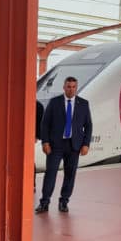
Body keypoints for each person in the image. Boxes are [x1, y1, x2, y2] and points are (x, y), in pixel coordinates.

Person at [37, 76, 92, 214]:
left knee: (70, 175)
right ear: (64, 87)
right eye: (68, 86)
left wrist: (86, 144)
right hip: (56, 145)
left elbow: (88, 125)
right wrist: (45, 142)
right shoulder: (54, 102)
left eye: (74, 87)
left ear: (76, 88)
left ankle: (64, 201)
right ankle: (44, 202)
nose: (71, 89)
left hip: (74, 146)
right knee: (50, 173)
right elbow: (45, 124)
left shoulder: (83, 104)